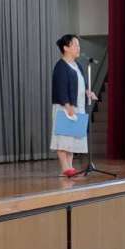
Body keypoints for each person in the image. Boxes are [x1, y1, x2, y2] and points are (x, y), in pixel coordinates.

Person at [50, 34, 97, 177]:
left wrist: (88, 92)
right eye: (75, 45)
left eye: (78, 45)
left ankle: (69, 167)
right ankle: (65, 168)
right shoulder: (61, 66)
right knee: (63, 139)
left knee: (71, 141)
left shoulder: (78, 66)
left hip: (78, 107)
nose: (78, 48)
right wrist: (67, 105)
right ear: (66, 48)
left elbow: (81, 84)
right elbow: (60, 88)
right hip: (66, 107)